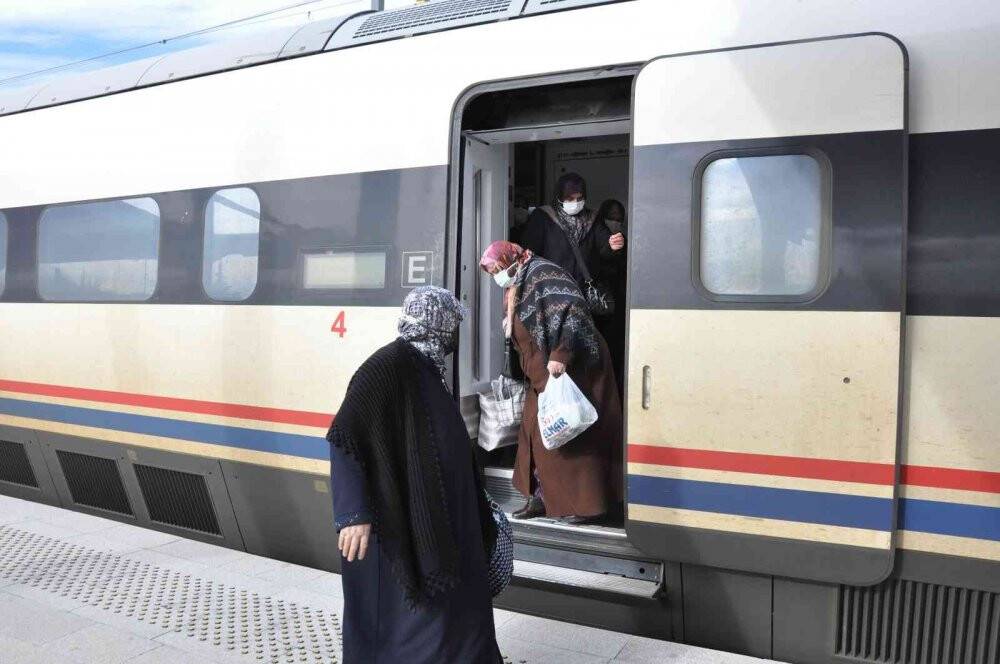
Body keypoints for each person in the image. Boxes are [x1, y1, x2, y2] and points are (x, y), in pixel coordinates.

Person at [326, 286, 502, 664]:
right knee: (418, 628)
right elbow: (346, 434)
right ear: (435, 326)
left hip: (447, 527)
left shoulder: (425, 368)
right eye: (451, 327)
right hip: (405, 526)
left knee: (459, 624)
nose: (454, 338)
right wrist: (353, 514)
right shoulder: (387, 366)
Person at [480, 241, 623, 524]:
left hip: (569, 369)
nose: (497, 275)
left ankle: (588, 505)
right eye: (492, 272)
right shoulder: (518, 281)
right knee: (535, 432)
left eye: (498, 268)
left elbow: (575, 311)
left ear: (511, 258)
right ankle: (541, 499)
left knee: (572, 433)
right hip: (540, 374)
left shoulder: (544, 272)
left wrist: (561, 353)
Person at [518, 172, 625, 293]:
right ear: (559, 197)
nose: (575, 202)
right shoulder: (543, 217)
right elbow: (529, 252)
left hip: (583, 290)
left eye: (579, 198)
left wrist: (613, 246)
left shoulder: (593, 218)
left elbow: (604, 247)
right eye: (569, 198)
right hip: (551, 290)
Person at [594, 199, 628, 398]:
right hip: (596, 306)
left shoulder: (622, 241)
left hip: (616, 306)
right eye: (611, 218)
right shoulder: (594, 238)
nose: (615, 222)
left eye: (619, 219)